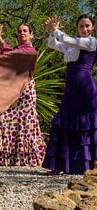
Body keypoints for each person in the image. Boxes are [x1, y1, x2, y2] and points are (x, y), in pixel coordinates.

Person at [42, 14, 97, 175]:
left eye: (87, 25)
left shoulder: (92, 42)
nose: (84, 29)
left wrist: (57, 30)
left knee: (87, 125)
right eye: (81, 26)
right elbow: (53, 44)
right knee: (65, 124)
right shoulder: (71, 45)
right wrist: (52, 32)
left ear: (92, 27)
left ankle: (90, 165)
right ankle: (60, 166)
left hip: (86, 90)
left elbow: (70, 40)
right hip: (71, 90)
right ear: (77, 27)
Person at [0, 23, 46, 166]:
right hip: (11, 90)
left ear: (30, 34)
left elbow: (13, 56)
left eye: (25, 31)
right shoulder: (13, 49)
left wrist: (1, 39)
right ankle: (5, 157)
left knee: (26, 122)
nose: (22, 33)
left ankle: (28, 157)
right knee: (6, 120)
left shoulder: (30, 51)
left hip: (25, 91)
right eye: (19, 31)